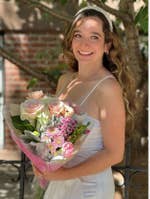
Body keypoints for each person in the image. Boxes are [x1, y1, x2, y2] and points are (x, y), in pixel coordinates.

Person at [33, 5, 136, 199]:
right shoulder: (65, 81)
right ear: (71, 40)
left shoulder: (108, 89)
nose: (84, 44)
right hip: (59, 185)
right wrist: (39, 159)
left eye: (94, 37)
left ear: (107, 45)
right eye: (78, 35)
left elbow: (115, 154)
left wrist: (63, 174)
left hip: (90, 189)